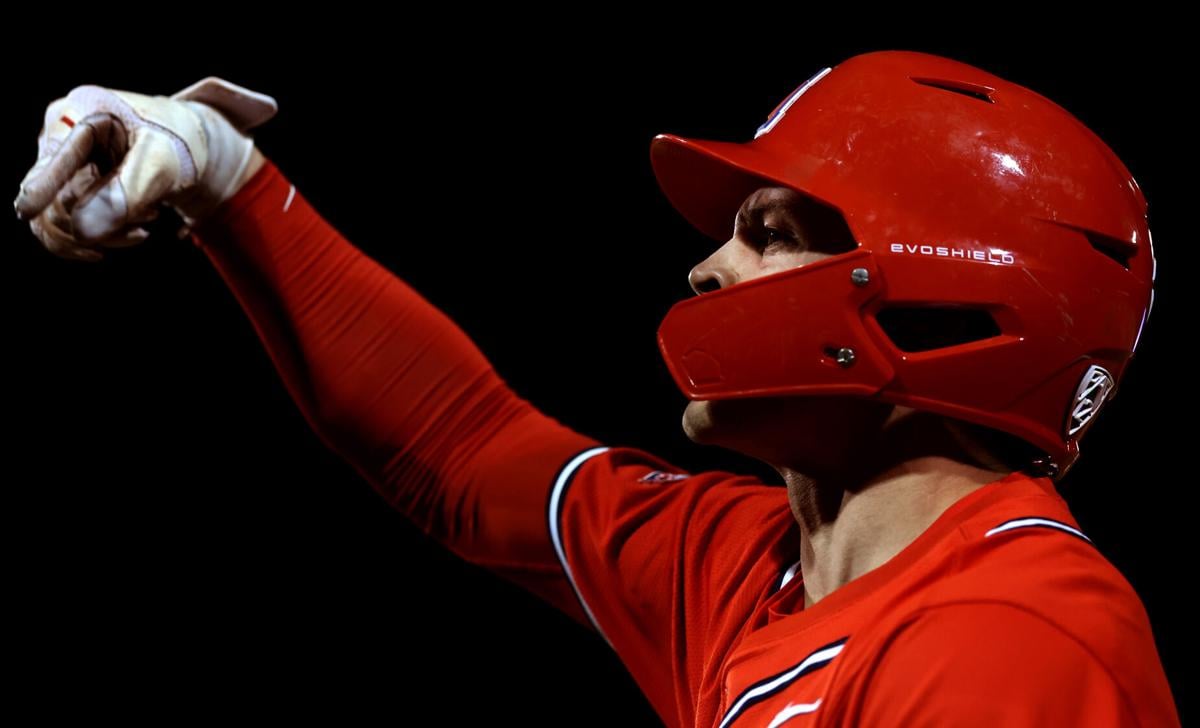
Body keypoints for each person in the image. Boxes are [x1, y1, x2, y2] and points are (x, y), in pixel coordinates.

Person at [14, 50, 1180, 726]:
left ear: (941, 309)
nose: (712, 265)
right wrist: (230, 183)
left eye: (772, 230)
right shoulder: (760, 563)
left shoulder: (1011, 643)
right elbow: (462, 448)